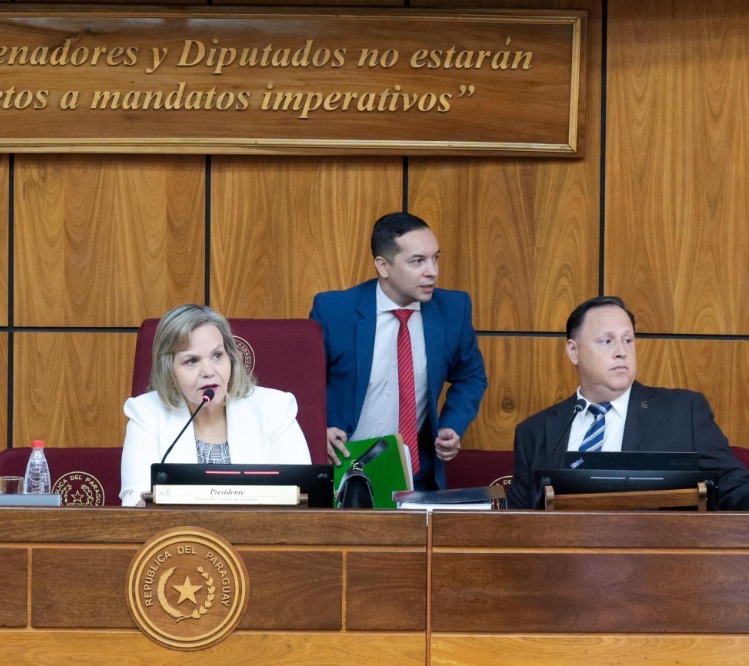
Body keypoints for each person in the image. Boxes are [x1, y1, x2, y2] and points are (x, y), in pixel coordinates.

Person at [509, 296, 749, 511]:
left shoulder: (682, 413)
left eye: (628, 340)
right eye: (607, 341)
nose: (622, 351)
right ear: (573, 351)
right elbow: (518, 522)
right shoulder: (536, 432)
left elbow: (730, 481)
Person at [310, 212, 487, 491]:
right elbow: (304, 383)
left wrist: (452, 425)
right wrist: (317, 429)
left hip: (417, 477)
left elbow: (472, 376)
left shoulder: (453, 310)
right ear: (383, 266)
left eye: (435, 258)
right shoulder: (334, 312)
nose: (433, 271)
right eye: (418, 261)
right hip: (343, 469)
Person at [120, 305, 309, 507]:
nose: (209, 371)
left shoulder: (274, 409)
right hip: (179, 536)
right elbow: (134, 499)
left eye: (217, 355)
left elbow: (305, 496)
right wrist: (142, 504)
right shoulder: (146, 413)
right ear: (169, 371)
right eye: (191, 361)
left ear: (231, 358)